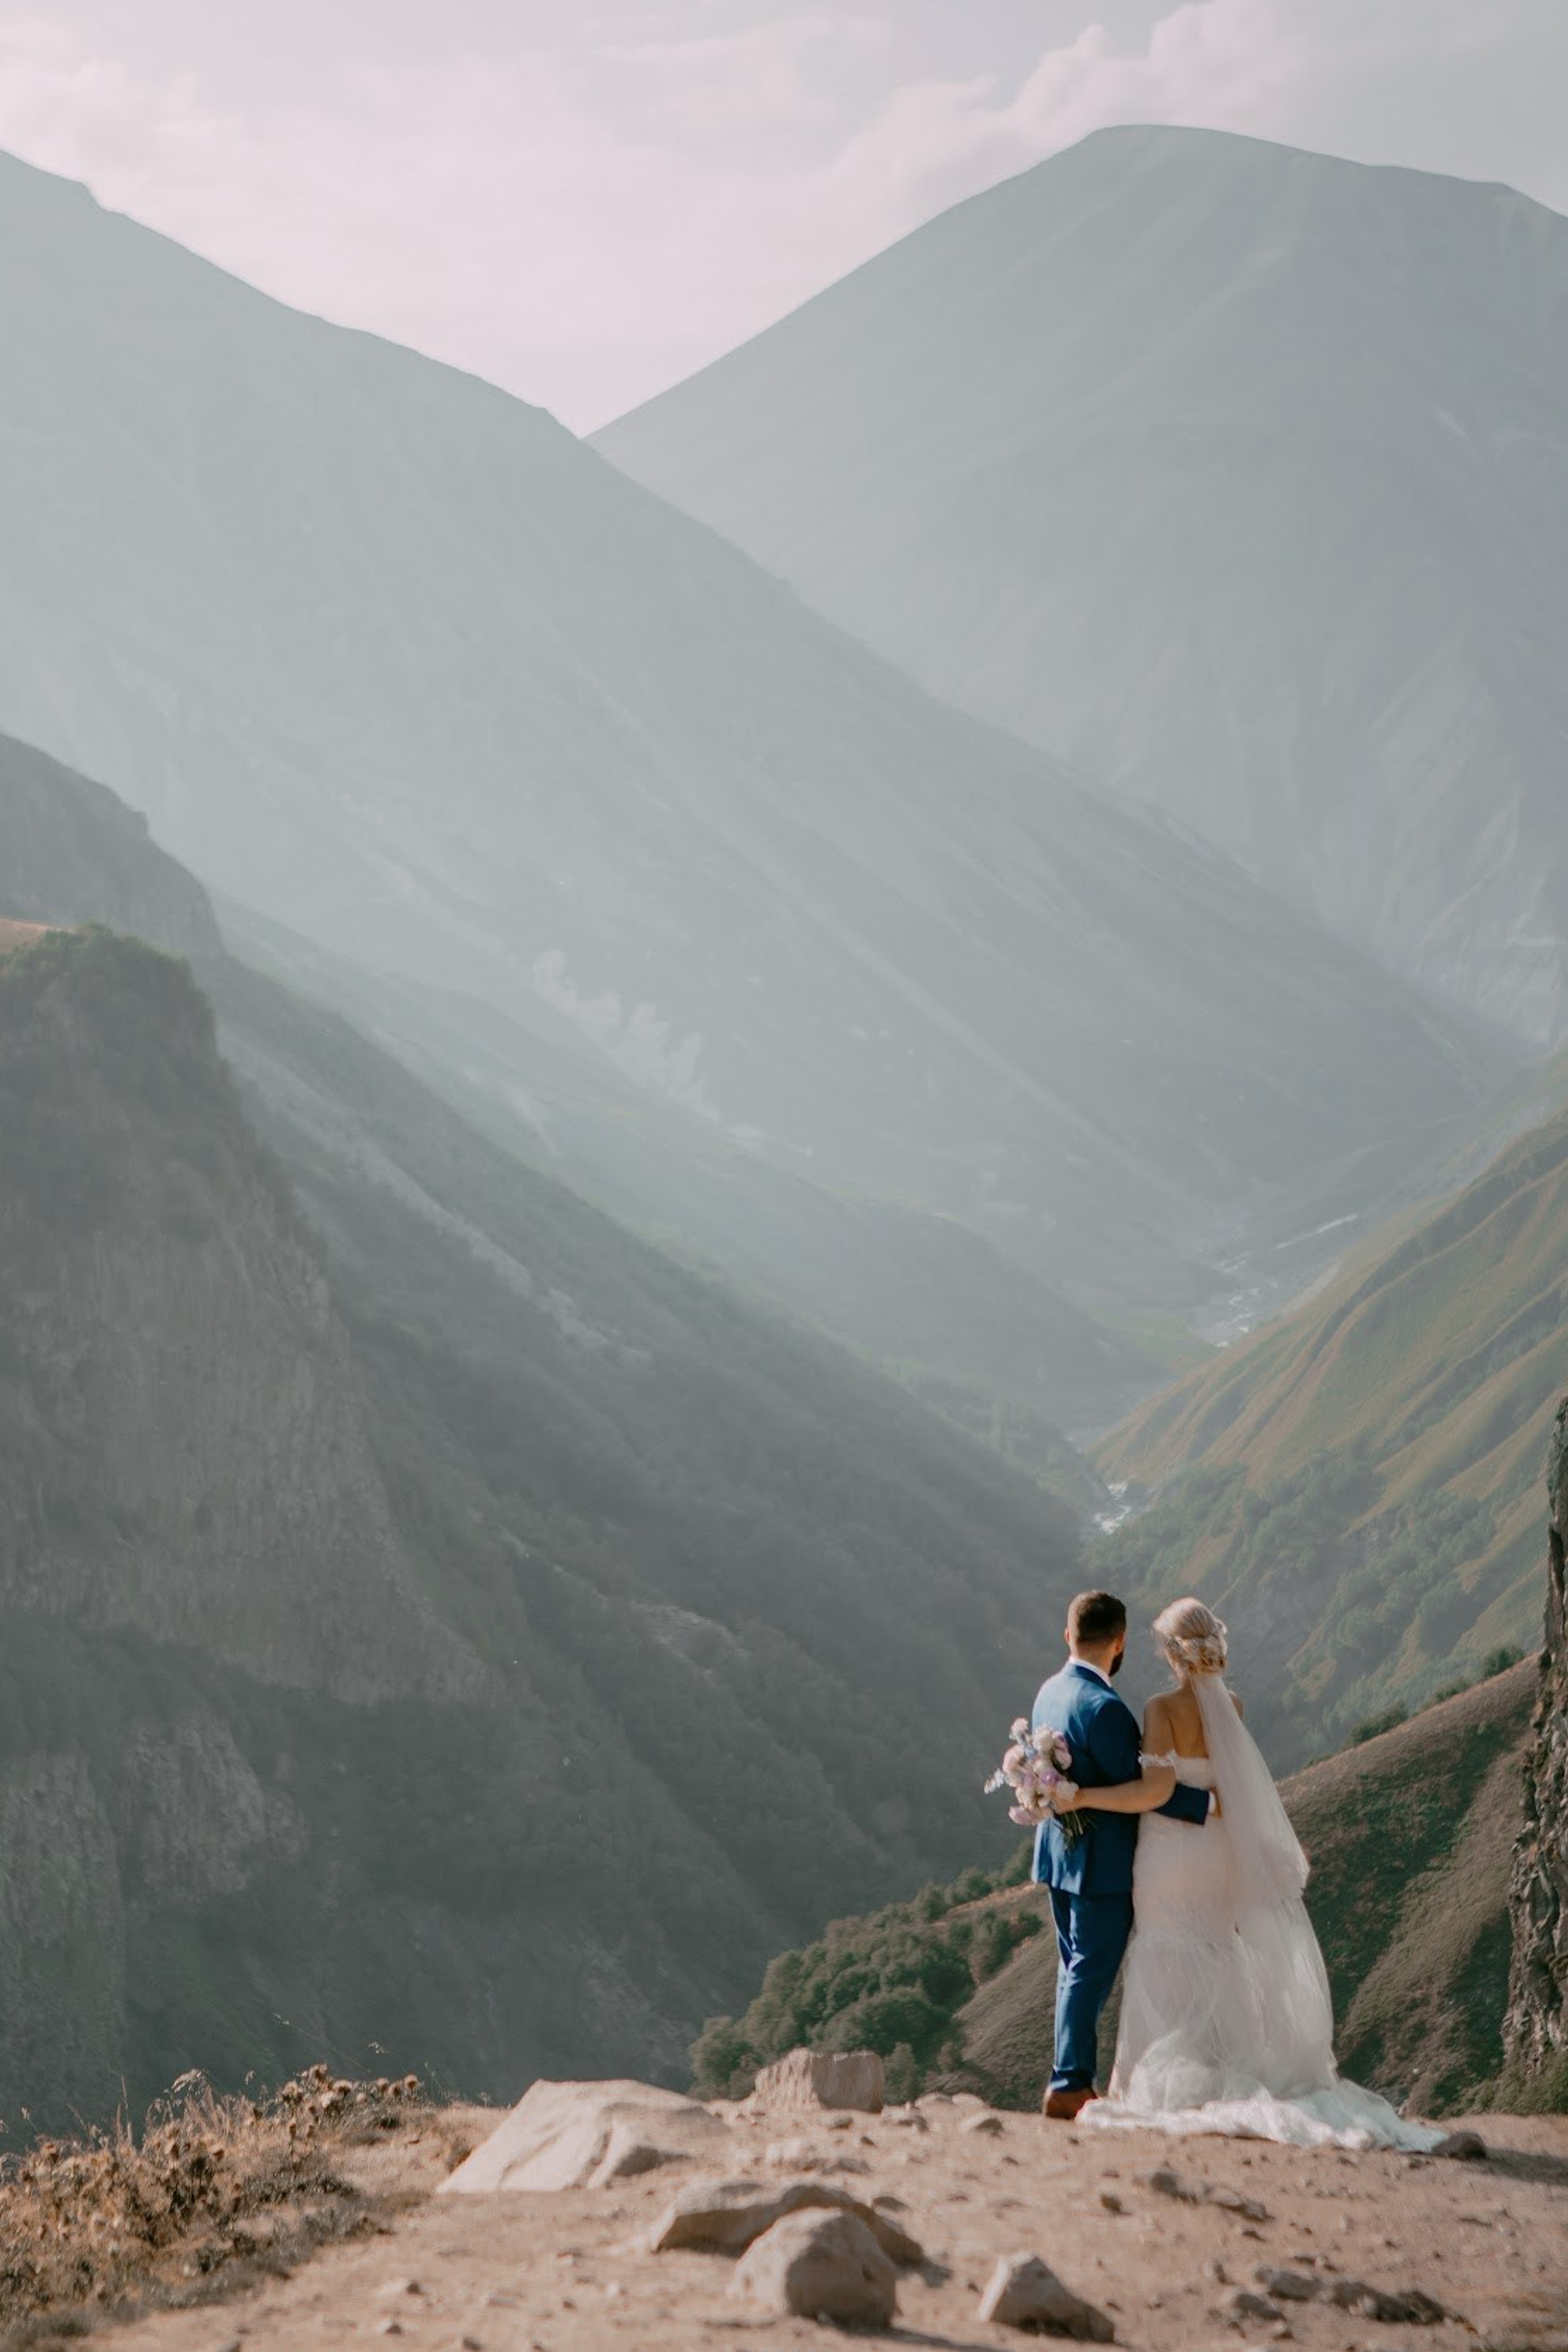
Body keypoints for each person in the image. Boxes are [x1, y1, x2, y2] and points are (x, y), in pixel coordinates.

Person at [1058, 1596, 1442, 2150]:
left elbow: (1156, 1791)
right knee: (1217, 1948)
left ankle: (1170, 2077)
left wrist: (1082, 1797)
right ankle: (1225, 2066)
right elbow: (1229, 1788)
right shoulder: (1231, 1706)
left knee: (1164, 1949)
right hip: (1217, 1854)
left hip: (1169, 1857)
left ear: (1172, 1652)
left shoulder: (1161, 1710)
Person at [1031, 1589, 1214, 2120]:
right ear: (1119, 1642)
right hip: (1100, 1864)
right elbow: (1144, 1786)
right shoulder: (1105, 1709)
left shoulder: (1049, 1691)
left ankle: (1070, 2076)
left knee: (1073, 1968)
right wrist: (1207, 1803)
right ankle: (1069, 2083)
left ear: (1069, 1636)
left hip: (1058, 1854)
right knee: (1089, 1970)